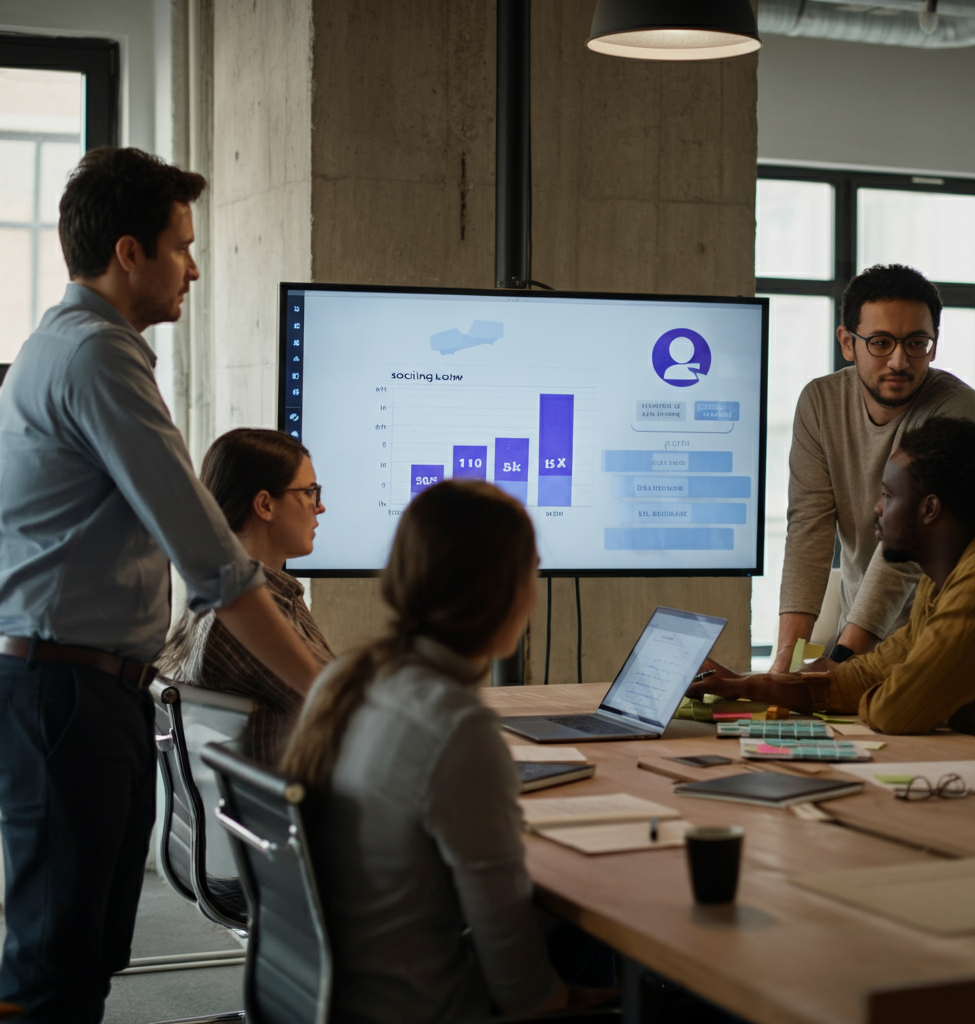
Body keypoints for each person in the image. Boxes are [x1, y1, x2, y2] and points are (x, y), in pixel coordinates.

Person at [0, 147, 321, 1024]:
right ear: (129, 252)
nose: (196, 265)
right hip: (64, 689)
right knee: (54, 966)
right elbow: (214, 562)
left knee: (83, 953)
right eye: (182, 245)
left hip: (82, 685)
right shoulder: (98, 357)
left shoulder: (66, 346)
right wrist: (328, 693)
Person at [280, 480, 613, 1023]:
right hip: (424, 1005)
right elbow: (514, 960)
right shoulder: (457, 726)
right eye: (533, 569)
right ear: (504, 589)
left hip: (341, 991)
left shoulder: (346, 679)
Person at [691, 418, 975, 744]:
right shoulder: (940, 579)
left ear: (930, 509)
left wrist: (866, 694)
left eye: (888, 495)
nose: (878, 508)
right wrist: (745, 686)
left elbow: (894, 710)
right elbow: (864, 675)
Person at [772, 264, 975, 673]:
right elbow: (809, 532)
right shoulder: (820, 404)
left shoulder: (958, 412)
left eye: (916, 343)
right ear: (847, 342)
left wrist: (840, 661)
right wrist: (783, 667)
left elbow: (908, 550)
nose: (899, 360)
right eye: (880, 342)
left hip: (941, 644)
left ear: (934, 343)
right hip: (858, 645)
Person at [159, 428, 334, 762]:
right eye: (310, 491)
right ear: (265, 504)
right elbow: (342, 709)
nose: (320, 506)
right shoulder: (243, 622)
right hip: (295, 805)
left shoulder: (265, 598)